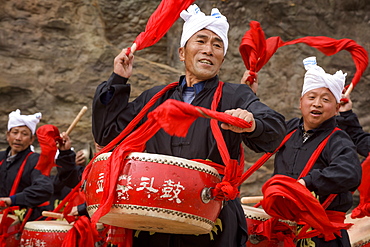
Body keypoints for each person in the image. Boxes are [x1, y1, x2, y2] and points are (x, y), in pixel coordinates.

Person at [92, 4, 286, 247]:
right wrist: (118, 79)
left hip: (211, 215)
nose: (208, 50)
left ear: (222, 58)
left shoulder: (235, 96)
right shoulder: (156, 98)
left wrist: (251, 123)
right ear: (182, 52)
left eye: (217, 45)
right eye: (201, 41)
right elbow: (108, 134)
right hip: (155, 212)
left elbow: (275, 129)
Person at [272, 57, 362, 246]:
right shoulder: (287, 130)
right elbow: (262, 134)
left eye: (326, 99)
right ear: (301, 102)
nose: (317, 104)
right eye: (311, 97)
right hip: (282, 231)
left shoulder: (339, 139)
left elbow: (350, 172)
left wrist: (308, 182)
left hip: (322, 235)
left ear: (337, 108)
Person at [0, 109, 53, 221]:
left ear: (31, 140)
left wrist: (12, 200)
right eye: (15, 132)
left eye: (24, 134)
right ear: (8, 135)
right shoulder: (1, 158)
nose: (18, 138)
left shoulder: (36, 160)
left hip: (28, 219)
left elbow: (44, 188)